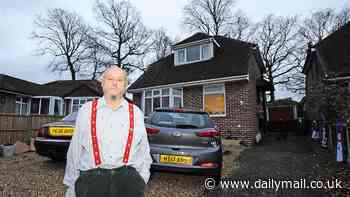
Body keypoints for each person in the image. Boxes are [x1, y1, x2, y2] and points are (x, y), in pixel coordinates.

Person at [63, 65, 152, 197]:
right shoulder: (86, 110)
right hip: (91, 183)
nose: (115, 83)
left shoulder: (136, 112)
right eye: (110, 79)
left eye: (120, 80)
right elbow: (75, 151)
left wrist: (141, 179)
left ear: (125, 85)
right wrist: (72, 186)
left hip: (128, 183)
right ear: (102, 83)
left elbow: (144, 151)